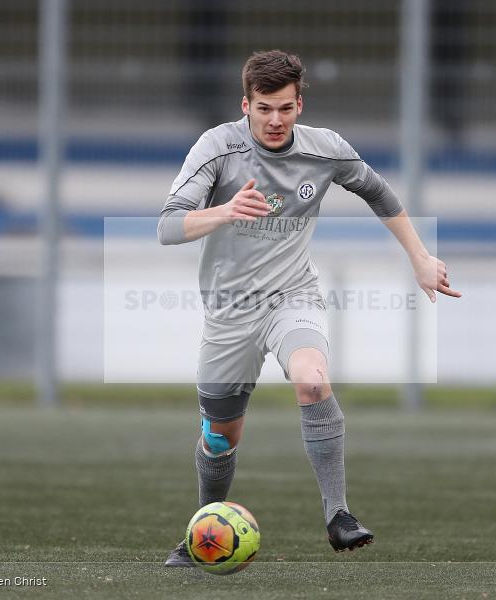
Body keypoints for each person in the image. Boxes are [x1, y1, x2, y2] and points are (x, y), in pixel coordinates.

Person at [157, 50, 461, 566]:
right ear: (245, 105)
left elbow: (380, 194)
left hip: (292, 296)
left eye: (285, 108)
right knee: (220, 434)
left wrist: (420, 256)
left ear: (300, 103)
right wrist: (225, 211)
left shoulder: (326, 150)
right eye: (263, 109)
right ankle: (204, 527)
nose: (275, 120)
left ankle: (338, 516)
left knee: (312, 379)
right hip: (229, 309)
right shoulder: (216, 149)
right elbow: (167, 227)